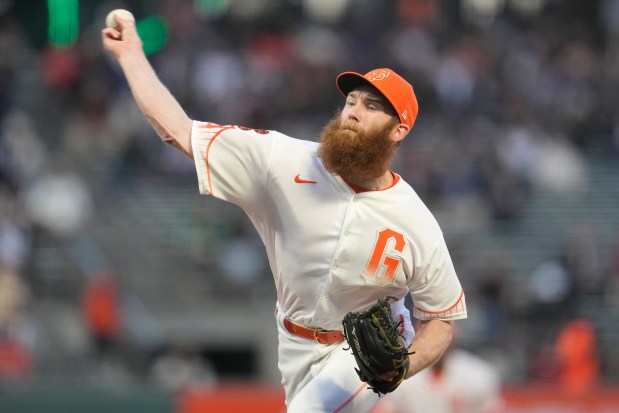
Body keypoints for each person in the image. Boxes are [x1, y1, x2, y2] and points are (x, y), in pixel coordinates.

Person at [102, 14, 467, 413]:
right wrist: (131, 54)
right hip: (293, 341)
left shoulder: (415, 219)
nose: (354, 112)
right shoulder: (282, 160)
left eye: (372, 106)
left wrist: (402, 367)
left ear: (398, 130)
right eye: (351, 101)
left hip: (363, 355)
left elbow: (441, 319)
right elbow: (179, 130)